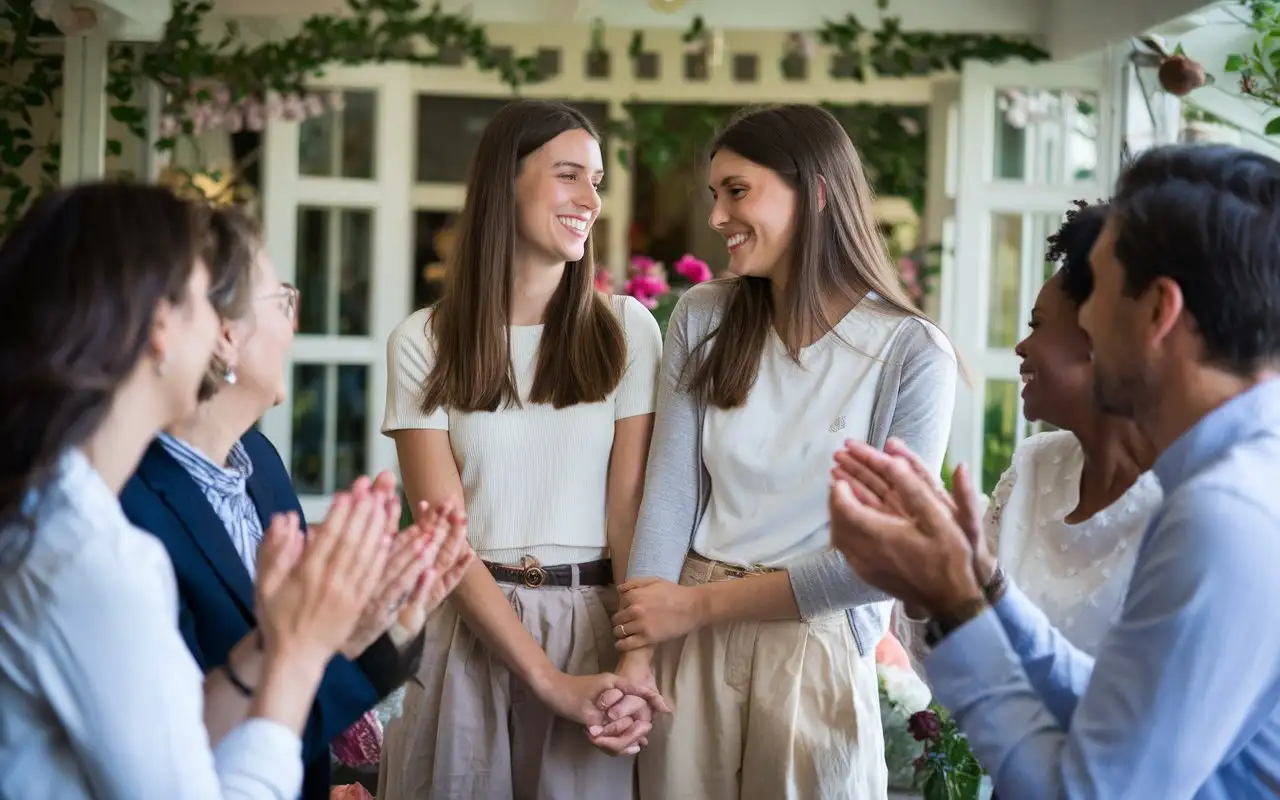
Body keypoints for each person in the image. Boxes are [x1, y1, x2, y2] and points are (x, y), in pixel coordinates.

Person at [829, 143, 1280, 798]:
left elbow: (1086, 790)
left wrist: (957, 606)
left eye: (1095, 290)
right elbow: (1115, 709)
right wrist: (977, 584)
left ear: (1158, 310)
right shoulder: (1227, 482)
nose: (1086, 321)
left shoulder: (1228, 512)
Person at [604, 104, 958, 800]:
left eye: (737, 191)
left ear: (816, 192)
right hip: (689, 642)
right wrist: (638, 655)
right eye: (714, 195)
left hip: (813, 644)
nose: (716, 217)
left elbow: (884, 562)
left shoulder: (910, 352)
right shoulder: (705, 315)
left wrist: (694, 609)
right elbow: (672, 492)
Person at [0, 182, 390, 798]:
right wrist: (295, 656)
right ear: (161, 326)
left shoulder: (48, 505)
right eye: (205, 302)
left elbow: (180, 735)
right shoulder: (93, 554)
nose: (219, 330)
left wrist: (282, 637)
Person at [120, 206, 474, 800]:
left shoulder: (258, 464)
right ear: (226, 334)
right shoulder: (129, 509)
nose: (296, 322)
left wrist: (388, 622)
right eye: (283, 301)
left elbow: (298, 689)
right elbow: (181, 745)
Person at [377, 99, 669, 799]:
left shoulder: (628, 329)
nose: (590, 200)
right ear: (505, 182)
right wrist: (545, 680)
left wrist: (636, 662)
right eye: (569, 174)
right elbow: (442, 533)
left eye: (596, 180)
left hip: (597, 628)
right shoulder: (424, 340)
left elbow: (631, 513)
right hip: (468, 632)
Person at [842, 201, 1161, 657]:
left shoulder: (1181, 506)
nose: (1020, 345)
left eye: (1038, 325)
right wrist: (926, 572)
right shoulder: (1036, 464)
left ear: (1099, 337)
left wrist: (982, 582)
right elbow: (937, 661)